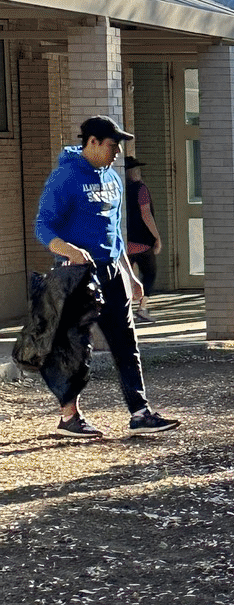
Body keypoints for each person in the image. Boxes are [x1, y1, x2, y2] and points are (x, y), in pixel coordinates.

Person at [33, 116, 179, 440]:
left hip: (112, 271)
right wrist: (68, 250)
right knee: (76, 346)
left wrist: (130, 274)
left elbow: (114, 234)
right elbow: (43, 226)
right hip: (77, 274)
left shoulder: (113, 179)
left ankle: (140, 413)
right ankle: (69, 417)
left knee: (127, 343)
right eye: (112, 146)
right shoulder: (65, 177)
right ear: (93, 142)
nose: (116, 153)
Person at [122, 154, 161, 316]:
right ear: (135, 171)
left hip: (125, 240)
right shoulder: (141, 189)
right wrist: (157, 237)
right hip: (142, 241)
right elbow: (146, 214)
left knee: (125, 276)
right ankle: (142, 308)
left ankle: (125, 310)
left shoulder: (120, 188)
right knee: (150, 273)